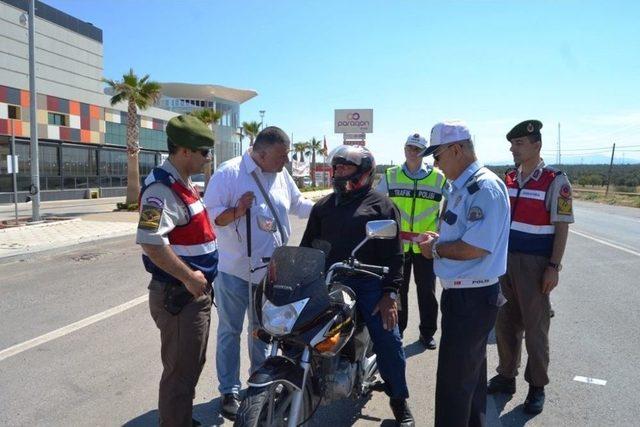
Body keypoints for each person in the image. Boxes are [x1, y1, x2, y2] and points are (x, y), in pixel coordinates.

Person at [203, 126, 314, 420]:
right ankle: (229, 390)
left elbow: (298, 204)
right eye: (281, 155)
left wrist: (331, 209)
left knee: (264, 332)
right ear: (261, 153)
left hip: (271, 273)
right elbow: (211, 217)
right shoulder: (229, 174)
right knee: (230, 331)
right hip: (234, 272)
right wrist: (237, 211)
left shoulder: (281, 175)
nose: (286, 161)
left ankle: (259, 385)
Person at [300, 145, 415, 427]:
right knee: (297, 328)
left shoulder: (381, 205)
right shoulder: (323, 206)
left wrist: (390, 294)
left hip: (369, 281)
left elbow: (395, 255)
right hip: (331, 280)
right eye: (336, 167)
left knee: (388, 336)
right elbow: (307, 248)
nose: (338, 173)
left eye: (345, 168)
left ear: (363, 173)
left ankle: (399, 400)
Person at [417, 120, 510, 427]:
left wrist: (437, 249)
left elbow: (476, 246)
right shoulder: (461, 187)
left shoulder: (484, 187)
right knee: (469, 379)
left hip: (472, 297)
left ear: (456, 149)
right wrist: (438, 242)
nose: (436, 163)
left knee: (453, 386)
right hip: (464, 295)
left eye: (438, 156)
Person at [136, 114, 218, 427]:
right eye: (203, 152)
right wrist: (189, 277)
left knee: (190, 365)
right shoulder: (160, 189)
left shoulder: (183, 183)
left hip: (191, 293)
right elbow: (150, 241)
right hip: (179, 295)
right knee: (180, 373)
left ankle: (180, 419)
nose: (207, 158)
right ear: (184, 151)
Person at [487, 120, 574, 414]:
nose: (513, 149)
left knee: (536, 328)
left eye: (519, 144)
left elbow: (561, 227)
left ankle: (537, 386)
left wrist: (554, 266)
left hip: (535, 265)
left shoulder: (555, 181)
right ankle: (506, 375)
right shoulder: (509, 178)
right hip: (504, 263)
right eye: (512, 144)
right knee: (505, 323)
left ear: (536, 145)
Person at [376, 133, 446, 349]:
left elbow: (454, 203)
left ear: (424, 152)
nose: (412, 151)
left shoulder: (438, 177)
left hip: (426, 246)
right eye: (409, 147)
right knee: (398, 291)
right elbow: (375, 202)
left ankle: (427, 333)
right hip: (397, 245)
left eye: (417, 148)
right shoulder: (391, 175)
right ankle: (399, 330)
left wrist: (442, 228)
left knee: (427, 291)